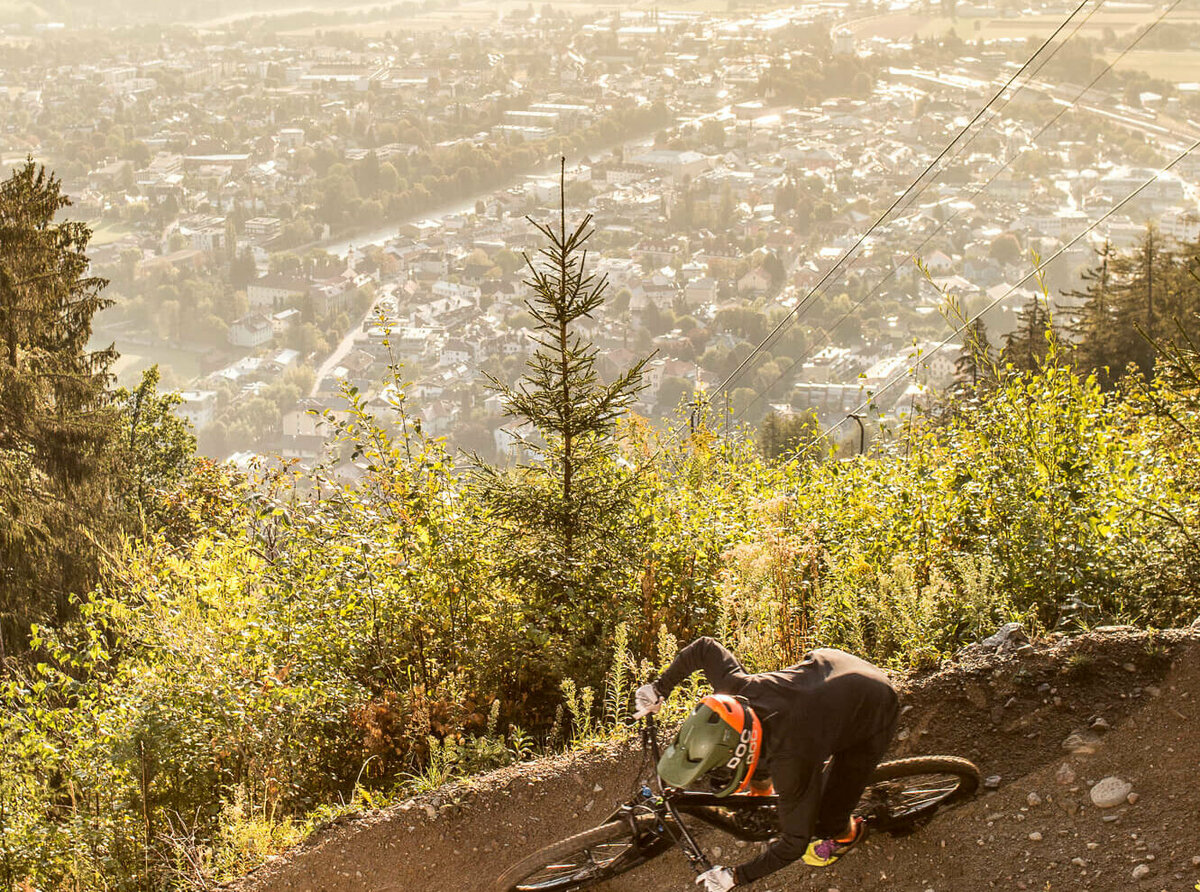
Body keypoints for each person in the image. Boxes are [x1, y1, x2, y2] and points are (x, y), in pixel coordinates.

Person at [634, 637, 899, 890]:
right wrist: (659, 688)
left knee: (826, 821)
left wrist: (736, 876)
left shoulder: (792, 762)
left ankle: (848, 836)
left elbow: (795, 843)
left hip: (875, 703)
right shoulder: (734, 691)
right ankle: (761, 794)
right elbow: (704, 647)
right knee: (763, 750)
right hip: (833, 665)